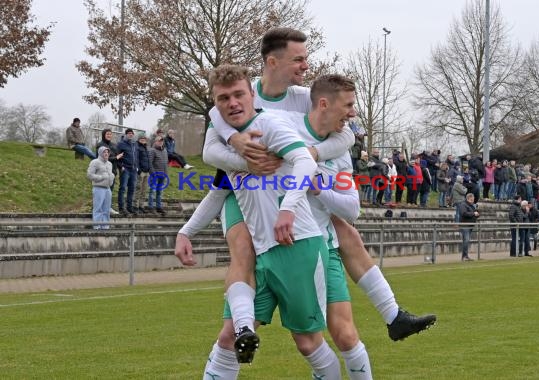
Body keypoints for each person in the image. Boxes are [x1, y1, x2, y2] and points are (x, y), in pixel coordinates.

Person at [177, 27, 435, 366]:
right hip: (243, 191)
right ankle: (243, 327)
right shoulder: (241, 95)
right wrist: (242, 152)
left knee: (345, 232)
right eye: (298, 59)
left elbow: (344, 138)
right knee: (242, 249)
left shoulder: (303, 97)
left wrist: (307, 154)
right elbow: (212, 140)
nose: (305, 66)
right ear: (272, 61)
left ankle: (392, 315)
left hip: (290, 207)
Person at [204, 64, 339, 378]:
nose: (233, 102)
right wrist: (186, 232)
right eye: (224, 98)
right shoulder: (222, 139)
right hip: (262, 251)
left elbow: (305, 161)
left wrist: (289, 208)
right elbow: (216, 189)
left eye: (239, 94)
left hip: (297, 243)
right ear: (215, 102)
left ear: (252, 94)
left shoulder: (270, 124)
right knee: (229, 337)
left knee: (307, 342)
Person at [96, 129, 123, 215]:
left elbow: (117, 158)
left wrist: (120, 167)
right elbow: (102, 158)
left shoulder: (114, 145)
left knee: (109, 192)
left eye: (110, 134)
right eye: (107, 134)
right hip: (103, 172)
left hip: (112, 172)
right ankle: (100, 208)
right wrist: (116, 158)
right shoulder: (100, 145)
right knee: (102, 191)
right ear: (103, 135)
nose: (109, 135)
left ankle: (108, 207)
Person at [86, 146, 114, 229]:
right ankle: (97, 227)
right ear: (100, 153)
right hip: (98, 188)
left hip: (108, 189)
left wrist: (111, 178)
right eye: (104, 152)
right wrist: (101, 177)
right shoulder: (95, 162)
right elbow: (89, 175)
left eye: (107, 152)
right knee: (98, 208)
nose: (106, 154)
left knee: (106, 209)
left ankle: (105, 227)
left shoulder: (110, 164)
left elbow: (110, 175)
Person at [117, 128, 139, 215]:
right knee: (122, 188)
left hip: (133, 169)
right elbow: (117, 156)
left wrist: (136, 166)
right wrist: (120, 166)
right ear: (126, 134)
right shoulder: (121, 144)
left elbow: (136, 157)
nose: (130, 134)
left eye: (131, 133)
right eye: (129, 133)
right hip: (125, 169)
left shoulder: (134, 144)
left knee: (132, 189)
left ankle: (129, 207)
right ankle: (121, 208)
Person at [148, 135, 168, 215]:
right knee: (152, 191)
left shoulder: (165, 150)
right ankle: (151, 207)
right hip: (155, 174)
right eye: (159, 141)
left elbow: (166, 163)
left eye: (162, 141)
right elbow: (150, 163)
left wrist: (166, 174)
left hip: (163, 175)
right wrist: (153, 173)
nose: (160, 142)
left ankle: (159, 207)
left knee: (160, 192)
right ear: (155, 142)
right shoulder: (152, 150)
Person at [458, 193, 479, 261]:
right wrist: (473, 213)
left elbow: (474, 213)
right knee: (466, 240)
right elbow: (463, 213)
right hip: (465, 225)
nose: (472, 201)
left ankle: (465, 256)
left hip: (470, 225)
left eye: (473, 200)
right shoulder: (463, 204)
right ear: (467, 199)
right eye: (471, 200)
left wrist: (477, 214)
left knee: (466, 241)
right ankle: (464, 256)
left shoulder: (472, 205)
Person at [134, 133, 150, 214]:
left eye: (144, 139)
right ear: (139, 139)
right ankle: (136, 206)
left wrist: (149, 168)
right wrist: (138, 170)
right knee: (138, 189)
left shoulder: (146, 147)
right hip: (141, 172)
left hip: (147, 172)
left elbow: (148, 159)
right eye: (141, 139)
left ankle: (141, 206)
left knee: (144, 190)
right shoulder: (137, 147)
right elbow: (136, 159)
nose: (143, 140)